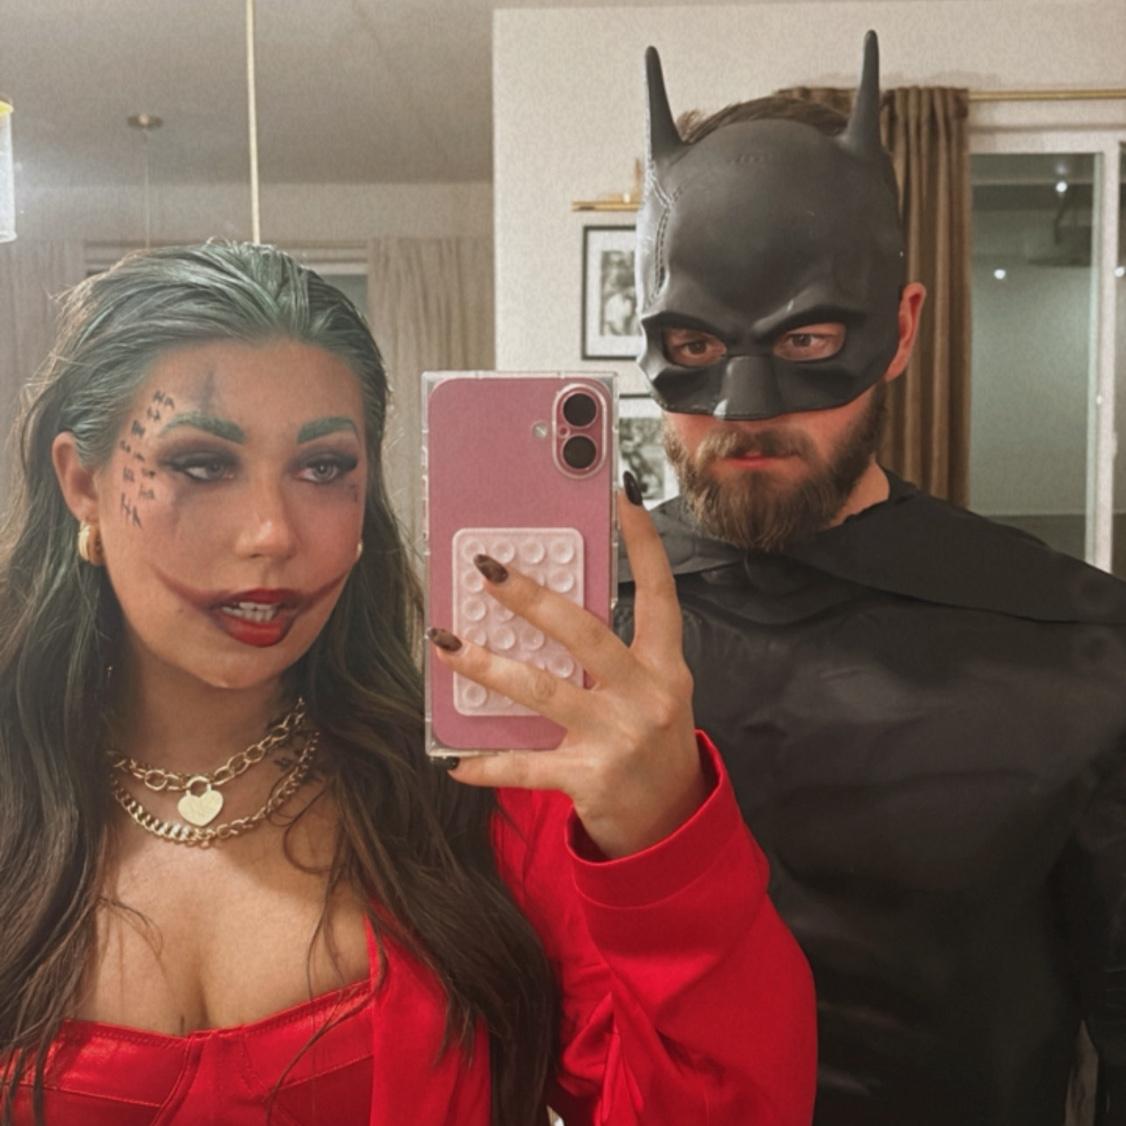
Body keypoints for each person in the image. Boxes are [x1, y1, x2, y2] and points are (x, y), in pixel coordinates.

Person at [0, 241, 815, 1125]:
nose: (272, 533)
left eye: (323, 469)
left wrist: (665, 836)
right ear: (82, 484)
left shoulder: (474, 802)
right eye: (203, 465)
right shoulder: (19, 794)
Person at [616, 31, 1126, 1126]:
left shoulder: (1080, 646)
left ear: (899, 330)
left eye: (807, 340)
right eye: (695, 347)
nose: (745, 411)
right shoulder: (571, 629)